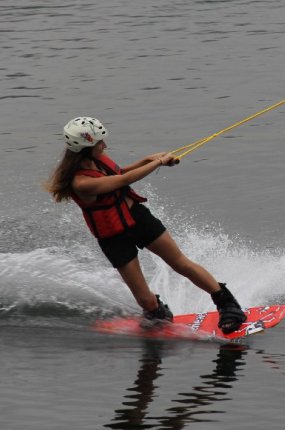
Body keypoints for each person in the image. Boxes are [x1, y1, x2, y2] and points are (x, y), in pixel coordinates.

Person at [45, 117, 247, 332]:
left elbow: (119, 173)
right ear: (85, 149)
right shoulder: (81, 183)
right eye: (99, 143)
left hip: (138, 219)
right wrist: (157, 163)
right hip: (112, 237)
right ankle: (156, 312)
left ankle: (228, 305)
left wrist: (147, 160)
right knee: (144, 299)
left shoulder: (98, 159)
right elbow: (123, 181)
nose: (105, 146)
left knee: (181, 263)